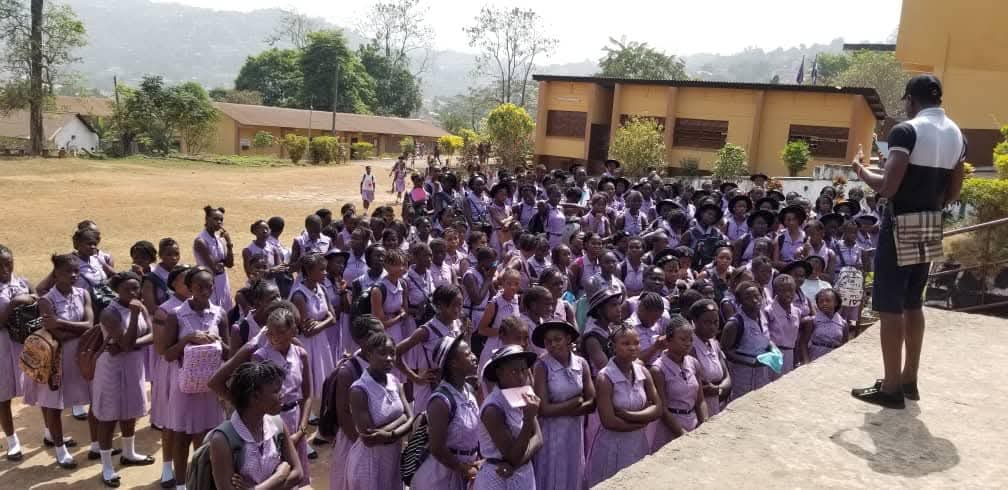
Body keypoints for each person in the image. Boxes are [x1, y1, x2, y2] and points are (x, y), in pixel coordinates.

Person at [851, 74, 966, 409]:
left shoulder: (906, 130)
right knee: (913, 303)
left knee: (890, 306)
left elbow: (887, 186)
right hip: (930, 221)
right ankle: (908, 379)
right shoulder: (958, 135)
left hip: (900, 221)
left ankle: (890, 388)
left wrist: (860, 169)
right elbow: (954, 190)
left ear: (911, 100)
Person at [211, 301, 313, 487]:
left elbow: (296, 474)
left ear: (293, 331)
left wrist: (301, 431)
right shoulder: (259, 356)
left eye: (282, 332)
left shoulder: (300, 353)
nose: (275, 338)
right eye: (271, 333)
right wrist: (280, 476)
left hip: (293, 418)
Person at [161, 266, 229, 487]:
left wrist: (215, 342)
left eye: (209, 285)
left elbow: (228, 351)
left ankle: (204, 483)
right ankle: (181, 484)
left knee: (210, 439)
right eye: (199, 286)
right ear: (189, 287)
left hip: (211, 388)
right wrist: (187, 339)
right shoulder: (176, 315)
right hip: (185, 388)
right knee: (182, 438)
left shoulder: (220, 313)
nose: (205, 290)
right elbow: (167, 354)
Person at [23, 253, 92, 469]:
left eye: (76, 271)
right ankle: (60, 450)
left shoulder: (83, 293)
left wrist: (61, 322)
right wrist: (77, 329)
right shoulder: (46, 300)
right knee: (53, 404)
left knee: (59, 401)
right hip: (54, 360)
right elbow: (58, 335)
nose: (73, 275)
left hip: (76, 357)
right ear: (56, 274)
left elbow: (89, 324)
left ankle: (50, 435)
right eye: (67, 272)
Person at [93, 271, 156, 487]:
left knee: (131, 411)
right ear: (116, 290)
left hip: (133, 365)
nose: (133, 292)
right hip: (111, 369)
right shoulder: (110, 313)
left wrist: (131, 344)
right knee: (109, 417)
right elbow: (128, 342)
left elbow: (153, 335)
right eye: (127, 289)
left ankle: (129, 453)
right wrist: (135, 318)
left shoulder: (141, 306)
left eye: (135, 288)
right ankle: (106, 466)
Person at [207, 361, 303, 490]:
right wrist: (279, 477)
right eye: (276, 391)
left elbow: (298, 474)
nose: (282, 395)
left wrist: (253, 488)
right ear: (255, 396)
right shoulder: (221, 439)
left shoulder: (277, 423)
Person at [585, 325, 661, 487]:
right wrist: (643, 420)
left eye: (636, 343)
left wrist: (629, 415)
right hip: (613, 445)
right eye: (626, 343)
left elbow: (658, 407)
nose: (633, 348)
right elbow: (609, 421)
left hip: (638, 442)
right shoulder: (605, 377)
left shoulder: (643, 372)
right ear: (613, 347)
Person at [411, 336, 482, 490]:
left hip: (466, 471)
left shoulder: (468, 390)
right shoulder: (440, 401)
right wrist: (463, 468)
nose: (474, 357)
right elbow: (437, 448)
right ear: (453, 363)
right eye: (468, 354)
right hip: (441, 478)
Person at [346, 331, 415, 490]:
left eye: (393, 353)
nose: (389, 358)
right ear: (369, 354)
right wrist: (401, 420)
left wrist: (389, 434)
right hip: (369, 464)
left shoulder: (395, 381)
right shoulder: (359, 390)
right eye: (383, 353)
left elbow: (411, 419)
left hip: (393, 460)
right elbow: (369, 439)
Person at [531, 320, 594, 490]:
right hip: (551, 433)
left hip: (574, 430)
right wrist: (575, 402)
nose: (552, 345)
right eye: (548, 341)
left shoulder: (581, 363)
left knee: (573, 472)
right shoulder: (542, 366)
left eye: (557, 339)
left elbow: (592, 401)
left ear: (568, 339)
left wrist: (564, 409)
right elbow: (543, 409)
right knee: (551, 474)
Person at [474, 345, 542, 489]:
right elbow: (512, 455)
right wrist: (528, 418)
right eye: (514, 371)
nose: (521, 376)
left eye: (523, 370)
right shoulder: (493, 409)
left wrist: (514, 464)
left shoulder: (524, 395)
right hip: (498, 477)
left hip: (522, 474)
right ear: (500, 373)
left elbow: (539, 438)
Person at [327, 315, 383, 490]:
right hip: (355, 441)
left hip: (379, 440)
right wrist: (363, 446)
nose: (383, 338)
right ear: (362, 339)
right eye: (377, 334)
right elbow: (344, 415)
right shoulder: (349, 371)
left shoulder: (384, 362)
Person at [396, 284, 464, 412]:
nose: (458, 309)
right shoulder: (426, 331)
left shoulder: (457, 323)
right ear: (439, 305)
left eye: (460, 304)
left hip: (454, 387)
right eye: (453, 305)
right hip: (430, 391)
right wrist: (416, 378)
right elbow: (396, 353)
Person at [649, 315, 708, 452]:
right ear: (668, 341)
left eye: (690, 340)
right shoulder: (658, 369)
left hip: (693, 423)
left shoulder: (693, 363)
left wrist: (705, 424)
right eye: (682, 339)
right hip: (670, 428)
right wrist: (682, 433)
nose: (688, 343)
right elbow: (662, 409)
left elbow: (700, 401)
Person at [0, 244, 34, 462]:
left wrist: (33, 299)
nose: (4, 269)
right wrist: (14, 304)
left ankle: (51, 432)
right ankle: (12, 440)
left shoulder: (22, 283)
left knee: (38, 389)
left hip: (25, 346)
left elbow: (40, 305)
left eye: (8, 263)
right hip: (2, 347)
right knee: (3, 395)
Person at [720, 281, 773, 400]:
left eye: (756, 296)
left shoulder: (764, 316)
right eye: (748, 298)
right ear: (740, 302)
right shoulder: (735, 323)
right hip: (742, 379)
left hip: (762, 376)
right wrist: (751, 361)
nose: (754, 300)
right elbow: (725, 351)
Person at [688, 299, 731, 417]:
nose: (713, 327)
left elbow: (727, 377)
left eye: (716, 322)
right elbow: (702, 386)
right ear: (695, 321)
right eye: (707, 322)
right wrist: (718, 389)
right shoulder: (690, 347)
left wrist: (718, 389)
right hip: (698, 408)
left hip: (717, 402)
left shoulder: (714, 343)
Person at [193, 205, 235, 311]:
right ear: (207, 219)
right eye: (215, 219)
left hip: (223, 281)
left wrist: (229, 243)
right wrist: (221, 263)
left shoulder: (219, 239)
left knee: (227, 311)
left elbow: (229, 264)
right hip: (209, 283)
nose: (219, 222)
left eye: (221, 219)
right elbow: (214, 269)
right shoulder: (201, 241)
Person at [799, 288, 847, 365]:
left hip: (834, 359)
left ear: (836, 303)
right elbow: (804, 343)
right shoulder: (813, 321)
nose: (824, 303)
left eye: (828, 301)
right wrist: (806, 361)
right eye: (821, 301)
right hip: (815, 356)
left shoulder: (843, 323)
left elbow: (844, 345)